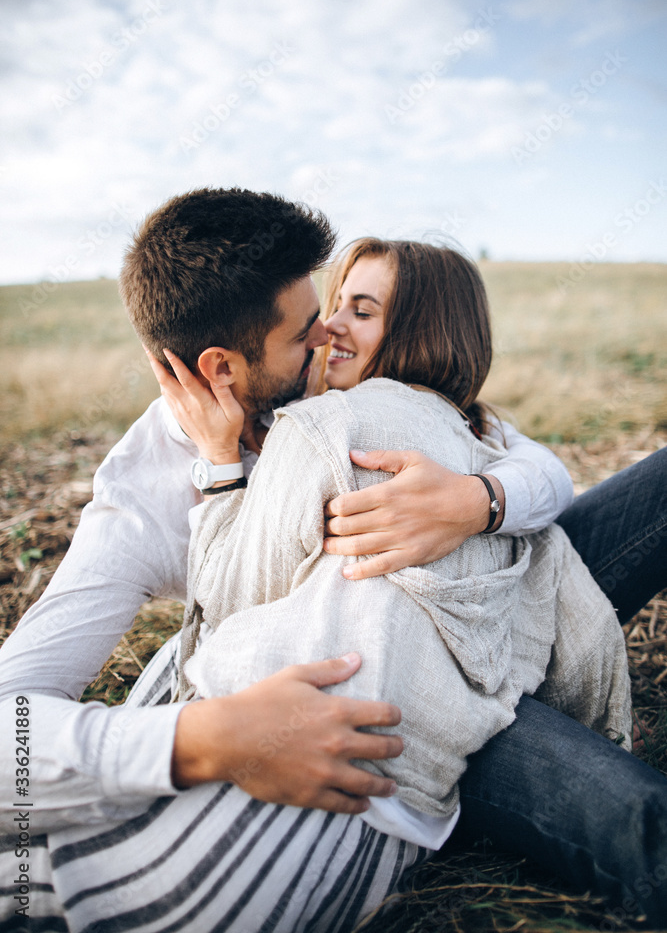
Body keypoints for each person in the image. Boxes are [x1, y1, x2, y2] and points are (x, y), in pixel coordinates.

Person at [0, 189, 664, 927]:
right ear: (221, 366)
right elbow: (11, 726)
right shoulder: (140, 505)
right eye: (306, 329)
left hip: (510, 603)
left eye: (344, 310)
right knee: (637, 823)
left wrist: (479, 501)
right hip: (410, 695)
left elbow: (534, 463)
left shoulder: (381, 407)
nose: (327, 336)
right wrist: (202, 740)